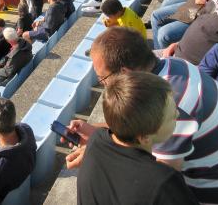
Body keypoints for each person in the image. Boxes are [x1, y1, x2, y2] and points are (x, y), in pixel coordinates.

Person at [67, 27, 218, 205]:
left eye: (103, 79)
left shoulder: (173, 105)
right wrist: (97, 133)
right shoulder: (172, 66)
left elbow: (158, 181)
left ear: (125, 73)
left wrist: (99, 155)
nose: (103, 84)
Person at [76, 71, 198, 205]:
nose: (178, 114)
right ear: (145, 137)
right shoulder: (163, 182)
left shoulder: (95, 140)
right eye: (171, 117)